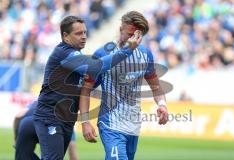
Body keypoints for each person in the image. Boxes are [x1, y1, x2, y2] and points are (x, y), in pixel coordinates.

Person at [33, 15, 142, 159]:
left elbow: (89, 84)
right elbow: (95, 66)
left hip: (66, 118)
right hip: (50, 117)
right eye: (78, 33)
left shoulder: (76, 55)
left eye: (85, 32)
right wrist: (126, 50)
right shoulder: (64, 53)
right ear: (65, 36)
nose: (84, 36)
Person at [80, 11, 169, 160]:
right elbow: (86, 89)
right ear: (121, 28)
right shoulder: (103, 53)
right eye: (129, 34)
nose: (131, 39)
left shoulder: (145, 55)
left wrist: (162, 104)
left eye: (136, 36)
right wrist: (85, 121)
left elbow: (156, 87)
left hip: (133, 126)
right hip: (110, 124)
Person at [13, 101, 78, 160]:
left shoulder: (38, 102)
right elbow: (72, 154)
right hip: (51, 127)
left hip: (27, 124)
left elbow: (18, 116)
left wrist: (16, 139)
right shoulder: (65, 119)